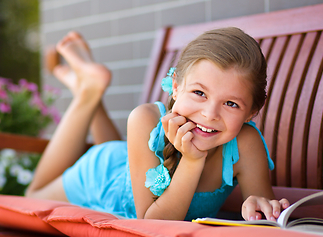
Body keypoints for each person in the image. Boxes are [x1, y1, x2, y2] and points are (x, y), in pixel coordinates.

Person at [25, 27, 289, 222]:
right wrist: (193, 160)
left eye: (231, 103)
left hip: (129, 163)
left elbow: (264, 214)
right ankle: (87, 93)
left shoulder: (245, 144)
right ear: (175, 86)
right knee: (31, 196)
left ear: (251, 112)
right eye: (199, 93)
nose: (210, 114)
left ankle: (89, 88)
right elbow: (152, 225)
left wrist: (260, 207)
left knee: (121, 154)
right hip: (100, 177)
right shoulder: (144, 119)